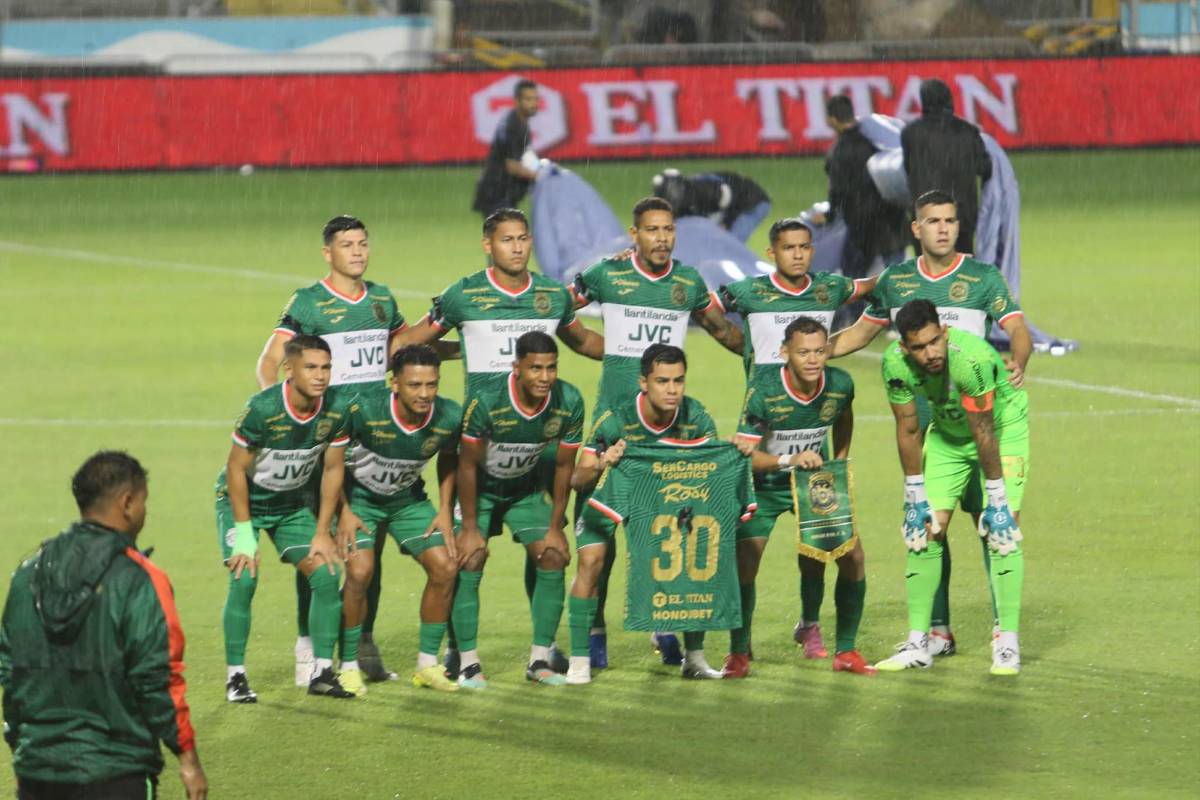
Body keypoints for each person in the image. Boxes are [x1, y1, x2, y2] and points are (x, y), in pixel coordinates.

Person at [831, 190, 1031, 656]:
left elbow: (1017, 327)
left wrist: (1019, 360)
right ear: (915, 229)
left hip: (976, 417)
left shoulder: (982, 276)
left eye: (950, 220)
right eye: (933, 221)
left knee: (993, 522)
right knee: (928, 528)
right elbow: (862, 332)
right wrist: (818, 354)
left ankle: (1004, 631)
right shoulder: (896, 281)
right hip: (922, 420)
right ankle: (937, 632)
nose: (943, 228)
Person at [571, 196, 744, 667]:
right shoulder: (608, 274)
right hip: (614, 427)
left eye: (668, 229)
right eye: (652, 230)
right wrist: (595, 347)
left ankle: (665, 622)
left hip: (669, 435)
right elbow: (563, 312)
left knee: (669, 530)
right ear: (635, 235)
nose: (662, 238)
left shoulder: (687, 281)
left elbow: (722, 328)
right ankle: (595, 629)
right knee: (599, 533)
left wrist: (763, 352)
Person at [254, 214, 416, 686]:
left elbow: (402, 349)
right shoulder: (309, 303)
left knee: (369, 551)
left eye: (363, 243)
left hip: (374, 446)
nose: (358, 252)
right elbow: (270, 361)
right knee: (319, 546)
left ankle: (362, 644)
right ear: (329, 253)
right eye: (347, 245)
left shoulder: (383, 300)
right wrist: (280, 415)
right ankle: (309, 646)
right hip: (325, 446)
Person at [0, 451, 207, 800]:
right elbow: (158, 678)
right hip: (116, 771)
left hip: (37, 769)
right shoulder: (140, 579)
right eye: (143, 502)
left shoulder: (26, 575)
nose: (144, 512)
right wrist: (188, 760)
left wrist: (22, 752)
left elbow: (10, 672)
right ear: (127, 503)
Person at [873, 300, 1027, 675]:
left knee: (1001, 532)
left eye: (933, 342)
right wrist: (914, 493)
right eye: (919, 348)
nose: (930, 354)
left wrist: (997, 497)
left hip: (1003, 434)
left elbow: (984, 432)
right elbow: (908, 428)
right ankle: (919, 643)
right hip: (946, 437)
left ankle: (1007, 642)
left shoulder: (969, 359)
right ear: (904, 347)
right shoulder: (894, 364)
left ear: (943, 331)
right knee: (923, 530)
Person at [566, 344, 722, 684]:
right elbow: (577, 480)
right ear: (643, 382)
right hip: (609, 492)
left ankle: (694, 657)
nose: (672, 390)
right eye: (662, 381)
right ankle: (579, 659)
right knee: (592, 561)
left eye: (678, 381)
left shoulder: (696, 417)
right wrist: (604, 461)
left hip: (659, 501)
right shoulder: (615, 419)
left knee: (696, 553)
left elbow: (713, 468)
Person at [727, 317, 874, 677]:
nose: (812, 360)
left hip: (814, 481)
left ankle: (844, 649)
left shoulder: (840, 384)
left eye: (819, 351)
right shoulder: (763, 392)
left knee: (850, 556)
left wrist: (839, 461)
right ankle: (739, 650)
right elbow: (746, 453)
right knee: (746, 558)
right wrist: (788, 459)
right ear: (784, 353)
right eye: (803, 352)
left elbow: (844, 416)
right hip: (765, 482)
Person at [217, 335, 355, 701]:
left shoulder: (337, 409)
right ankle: (236, 677)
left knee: (326, 575)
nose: (321, 376)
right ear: (288, 369)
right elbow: (235, 471)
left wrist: (323, 531)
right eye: (311, 367)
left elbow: (332, 470)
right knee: (244, 579)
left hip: (290, 506)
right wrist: (245, 534)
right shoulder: (263, 409)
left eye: (326, 367)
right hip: (241, 502)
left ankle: (323, 672)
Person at [451, 331, 584, 689]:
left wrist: (556, 526)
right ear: (516, 368)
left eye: (551, 368)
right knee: (471, 557)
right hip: (481, 490)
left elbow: (563, 468)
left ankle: (540, 659)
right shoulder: (487, 401)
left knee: (554, 555)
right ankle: (467, 663)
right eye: (535, 368)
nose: (544, 377)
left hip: (525, 490)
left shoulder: (569, 400)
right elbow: (466, 467)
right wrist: (469, 529)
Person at [334, 345, 462, 695]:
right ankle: (346, 666)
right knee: (359, 572)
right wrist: (342, 511)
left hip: (407, 502)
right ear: (395, 383)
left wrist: (445, 512)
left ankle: (427, 665)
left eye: (431, 385)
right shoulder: (362, 410)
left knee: (446, 567)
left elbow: (449, 459)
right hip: (359, 500)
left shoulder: (449, 415)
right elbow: (329, 463)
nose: (424, 394)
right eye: (414, 385)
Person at [396, 208, 603, 399]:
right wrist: (467, 348)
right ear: (488, 245)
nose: (517, 248)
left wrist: (630, 350)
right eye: (507, 240)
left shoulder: (554, 294)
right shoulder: (462, 295)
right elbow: (408, 344)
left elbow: (583, 342)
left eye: (522, 239)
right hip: (482, 427)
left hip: (539, 426)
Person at [719, 217, 875, 381]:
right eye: (788, 248)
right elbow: (705, 305)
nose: (798, 255)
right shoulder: (749, 290)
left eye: (804, 247)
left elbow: (873, 287)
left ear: (812, 251)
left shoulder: (830, 286)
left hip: (815, 400)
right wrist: (734, 341)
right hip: (766, 402)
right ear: (772, 253)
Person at [818, 94, 908, 326]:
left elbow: (837, 193)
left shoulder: (840, 152)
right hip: (892, 217)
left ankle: (860, 319)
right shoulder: (876, 139)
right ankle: (904, 320)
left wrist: (828, 217)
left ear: (832, 120)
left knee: (853, 274)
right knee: (897, 274)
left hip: (862, 223)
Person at [900, 79, 992, 253]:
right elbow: (985, 168)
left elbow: (907, 170)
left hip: (926, 216)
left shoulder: (911, 133)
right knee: (962, 273)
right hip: (960, 217)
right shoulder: (968, 131)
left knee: (928, 275)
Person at [472, 79, 540, 219]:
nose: (533, 103)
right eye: (528, 99)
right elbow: (512, 165)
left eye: (535, 99)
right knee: (509, 237)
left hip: (498, 191)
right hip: (497, 194)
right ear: (517, 100)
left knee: (507, 238)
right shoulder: (514, 126)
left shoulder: (517, 121)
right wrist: (539, 176)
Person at [651, 168, 772, 243]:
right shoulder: (668, 200)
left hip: (751, 204)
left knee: (731, 243)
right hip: (717, 207)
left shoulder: (707, 190)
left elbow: (734, 204)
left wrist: (726, 224)